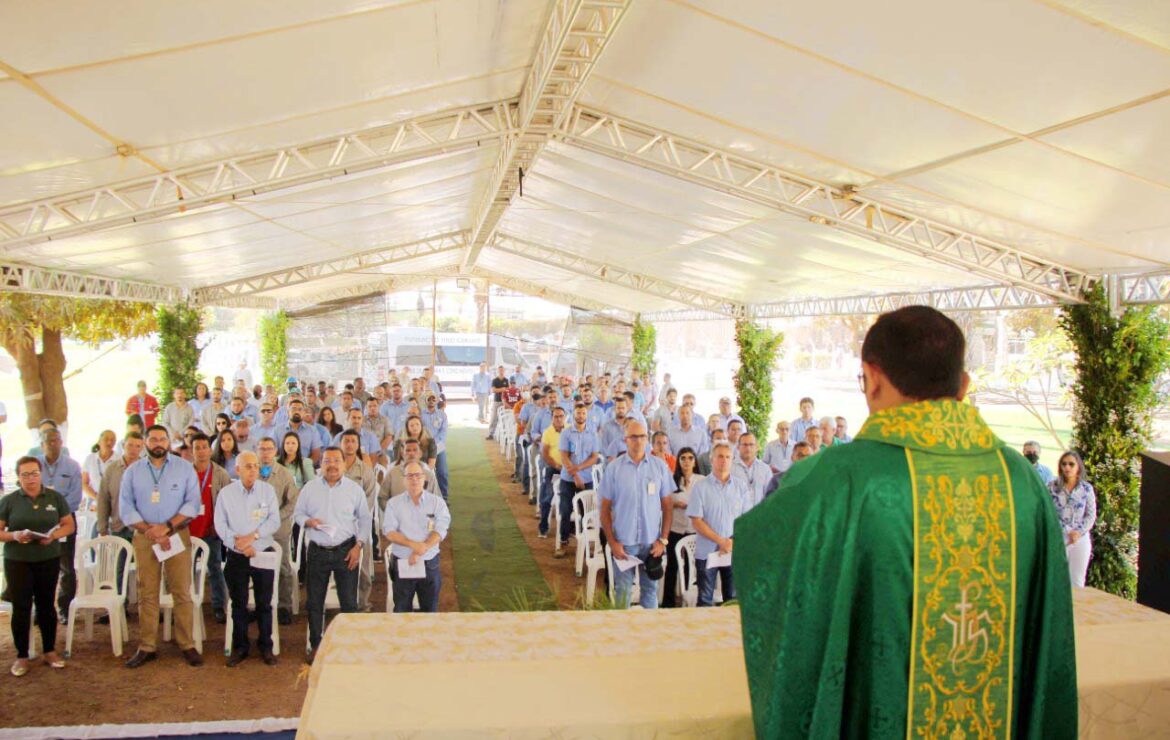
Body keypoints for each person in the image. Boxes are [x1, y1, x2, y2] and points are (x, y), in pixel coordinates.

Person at [734, 305, 1076, 737]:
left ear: (871, 377)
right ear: (964, 386)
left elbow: (763, 549)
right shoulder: (1022, 483)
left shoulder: (840, 480)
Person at [120, 424, 203, 668]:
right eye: (153, 439)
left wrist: (166, 527)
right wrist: (150, 531)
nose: (158, 443)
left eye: (162, 439)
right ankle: (147, 646)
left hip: (176, 534)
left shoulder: (184, 468)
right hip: (145, 537)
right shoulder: (133, 472)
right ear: (145, 442)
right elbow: (126, 507)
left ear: (169, 442)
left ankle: (187, 644)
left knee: (181, 591)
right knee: (147, 592)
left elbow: (192, 503)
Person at [0, 457, 76, 676]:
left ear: (41, 474)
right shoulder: (9, 501)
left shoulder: (54, 497)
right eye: (25, 474)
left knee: (46, 606)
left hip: (47, 558)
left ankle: (50, 652)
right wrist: (15, 535)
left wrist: (53, 536)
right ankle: (22, 656)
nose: (30, 479)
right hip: (18, 561)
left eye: (34, 473)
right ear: (18, 477)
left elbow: (69, 525)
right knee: (22, 608)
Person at [295, 447, 369, 662]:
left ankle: (348, 646)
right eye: (327, 460)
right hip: (318, 551)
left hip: (346, 551)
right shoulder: (309, 489)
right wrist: (307, 522)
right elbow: (298, 514)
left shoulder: (354, 490)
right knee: (315, 602)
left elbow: (364, 519)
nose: (332, 465)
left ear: (344, 465)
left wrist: (359, 546)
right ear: (321, 465)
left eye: (337, 460)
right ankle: (317, 646)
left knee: (348, 602)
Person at [598, 421, 675, 609]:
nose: (638, 441)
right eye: (633, 437)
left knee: (650, 590)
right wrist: (612, 542)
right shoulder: (614, 469)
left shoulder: (660, 467)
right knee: (623, 591)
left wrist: (663, 540)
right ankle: (623, 636)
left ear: (647, 439)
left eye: (642, 436)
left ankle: (650, 635)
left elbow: (668, 507)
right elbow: (604, 509)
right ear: (626, 440)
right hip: (624, 544)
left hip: (652, 543)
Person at [214, 451, 280, 666]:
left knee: (264, 603)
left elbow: (274, 522)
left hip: (261, 551)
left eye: (256, 466)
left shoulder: (268, 491)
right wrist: (238, 545)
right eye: (248, 466)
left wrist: (254, 541)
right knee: (239, 603)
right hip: (237, 554)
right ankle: (240, 647)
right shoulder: (226, 494)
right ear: (238, 469)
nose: (253, 470)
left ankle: (266, 646)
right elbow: (220, 525)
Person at [382, 460, 451, 613]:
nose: (414, 479)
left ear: (425, 478)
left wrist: (423, 548)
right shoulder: (394, 504)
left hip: (429, 564)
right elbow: (389, 531)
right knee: (402, 610)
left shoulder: (437, 503)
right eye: (410, 476)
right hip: (403, 563)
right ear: (404, 479)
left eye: (418, 475)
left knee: (430, 610)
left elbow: (441, 529)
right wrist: (414, 545)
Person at [688, 442, 751, 606]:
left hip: (733, 551)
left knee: (732, 601)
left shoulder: (741, 487)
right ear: (712, 460)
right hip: (707, 553)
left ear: (732, 460)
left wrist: (732, 541)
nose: (724, 460)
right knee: (705, 600)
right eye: (720, 456)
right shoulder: (700, 487)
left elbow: (747, 520)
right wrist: (720, 541)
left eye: (728, 457)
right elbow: (696, 521)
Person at [185, 433, 231, 624]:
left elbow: (228, 502)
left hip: (211, 530)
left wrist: (219, 525)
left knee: (215, 568)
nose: (202, 451)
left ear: (210, 450)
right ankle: (184, 604)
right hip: (187, 531)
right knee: (184, 570)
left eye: (205, 447)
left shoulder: (220, 473)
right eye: (198, 447)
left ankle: (219, 606)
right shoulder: (184, 473)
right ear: (192, 451)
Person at [38, 428, 82, 621]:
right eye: (49, 441)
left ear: (61, 442)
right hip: (38, 522)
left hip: (65, 522)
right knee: (39, 567)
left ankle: (65, 611)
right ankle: (42, 611)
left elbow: (75, 497)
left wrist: (57, 515)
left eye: (56, 440)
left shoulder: (72, 466)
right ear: (42, 444)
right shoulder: (35, 465)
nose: (53, 444)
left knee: (66, 567)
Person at [256, 437, 299, 624]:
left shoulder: (284, 474)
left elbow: (293, 502)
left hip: (278, 529)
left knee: (282, 568)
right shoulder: (252, 472)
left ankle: (283, 605)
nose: (265, 452)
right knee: (256, 567)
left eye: (269, 449)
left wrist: (275, 518)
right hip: (255, 530)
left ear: (275, 451)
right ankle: (261, 605)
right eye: (262, 449)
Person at [554, 403, 601, 557]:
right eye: (578, 413)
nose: (580, 416)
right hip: (568, 479)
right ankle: (563, 542)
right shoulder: (566, 433)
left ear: (586, 415)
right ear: (573, 415)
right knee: (565, 510)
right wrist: (574, 475)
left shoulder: (593, 434)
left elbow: (594, 457)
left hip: (586, 478)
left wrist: (579, 470)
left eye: (583, 413)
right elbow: (564, 455)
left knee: (587, 512)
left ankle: (586, 543)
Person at [338, 431, 378, 611]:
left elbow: (369, 498)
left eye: (353, 441)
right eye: (346, 441)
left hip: (360, 526)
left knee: (362, 567)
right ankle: (343, 603)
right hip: (338, 526)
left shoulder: (365, 471)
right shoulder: (334, 468)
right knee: (340, 564)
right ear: (340, 444)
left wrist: (356, 518)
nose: (349, 444)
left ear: (358, 445)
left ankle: (363, 603)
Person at [1049, 451, 1097, 588]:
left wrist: (1078, 532)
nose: (1067, 468)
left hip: (1080, 538)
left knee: (1077, 580)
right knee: (1056, 579)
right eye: (1064, 464)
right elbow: (1049, 513)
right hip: (1059, 537)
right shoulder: (1052, 487)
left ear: (1078, 467)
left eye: (1071, 464)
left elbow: (1091, 515)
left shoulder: (1086, 489)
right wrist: (1068, 531)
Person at [663, 447, 701, 609]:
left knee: (692, 565)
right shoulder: (672, 480)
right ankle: (668, 602)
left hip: (694, 529)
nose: (686, 461)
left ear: (694, 461)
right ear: (678, 461)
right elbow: (663, 503)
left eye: (690, 458)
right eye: (683, 458)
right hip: (676, 527)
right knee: (672, 565)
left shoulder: (702, 480)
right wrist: (675, 504)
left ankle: (689, 600)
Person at [378, 438, 439, 511]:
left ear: (420, 454)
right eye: (408, 450)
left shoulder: (429, 476)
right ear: (402, 454)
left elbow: (437, 500)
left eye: (415, 450)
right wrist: (393, 513)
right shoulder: (392, 473)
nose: (411, 453)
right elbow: (382, 498)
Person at [538, 407, 567, 541]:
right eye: (556, 416)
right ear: (552, 418)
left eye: (561, 416)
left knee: (574, 495)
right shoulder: (548, 432)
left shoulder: (570, 430)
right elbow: (545, 453)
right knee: (547, 496)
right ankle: (543, 527)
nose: (559, 419)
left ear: (565, 417)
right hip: (554, 467)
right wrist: (556, 465)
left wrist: (568, 466)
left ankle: (570, 529)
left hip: (569, 468)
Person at [82, 430, 118, 517]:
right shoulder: (90, 459)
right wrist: (97, 498)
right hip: (94, 499)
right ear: (99, 441)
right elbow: (84, 483)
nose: (109, 442)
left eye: (112, 440)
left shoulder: (119, 460)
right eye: (106, 439)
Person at [420, 394, 449, 500]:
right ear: (425, 401)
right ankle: (426, 496)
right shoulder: (420, 414)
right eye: (429, 399)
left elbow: (443, 432)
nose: (431, 401)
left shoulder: (442, 415)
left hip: (439, 448)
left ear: (437, 401)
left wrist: (433, 443)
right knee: (424, 472)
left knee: (442, 472)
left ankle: (444, 497)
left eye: (433, 399)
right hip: (423, 448)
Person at [732, 432, 770, 507]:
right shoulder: (729, 468)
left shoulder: (765, 469)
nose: (748, 448)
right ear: (738, 447)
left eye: (751, 445)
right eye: (745, 445)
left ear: (757, 447)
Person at [487, 366, 509, 439]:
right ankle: (491, 434)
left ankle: (506, 435)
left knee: (505, 418)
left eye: (502, 370)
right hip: (497, 401)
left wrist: (501, 389)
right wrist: (502, 389)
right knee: (494, 418)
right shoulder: (494, 380)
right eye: (500, 370)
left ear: (504, 371)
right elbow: (493, 390)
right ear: (498, 371)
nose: (501, 371)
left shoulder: (506, 380)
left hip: (505, 402)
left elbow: (508, 390)